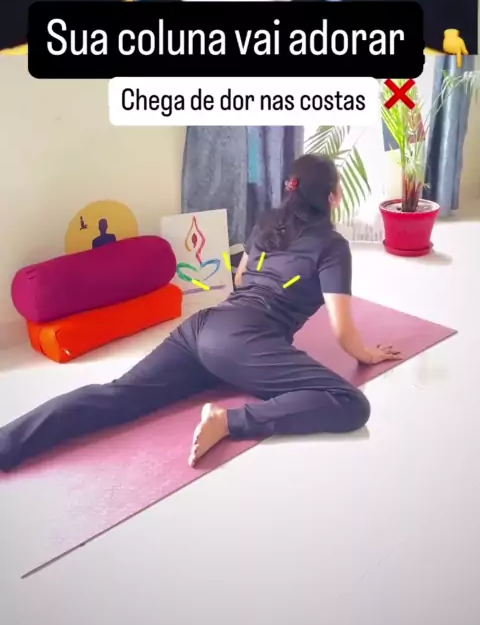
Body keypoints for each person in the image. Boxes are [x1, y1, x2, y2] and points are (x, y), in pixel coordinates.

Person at [0, 155, 400, 473]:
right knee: (350, 403)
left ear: (291, 190)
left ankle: (6, 443)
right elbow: (341, 330)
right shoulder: (332, 246)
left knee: (118, 395)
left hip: (202, 328)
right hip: (244, 342)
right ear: (332, 197)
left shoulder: (267, 223)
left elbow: (240, 279)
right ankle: (228, 422)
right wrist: (366, 354)